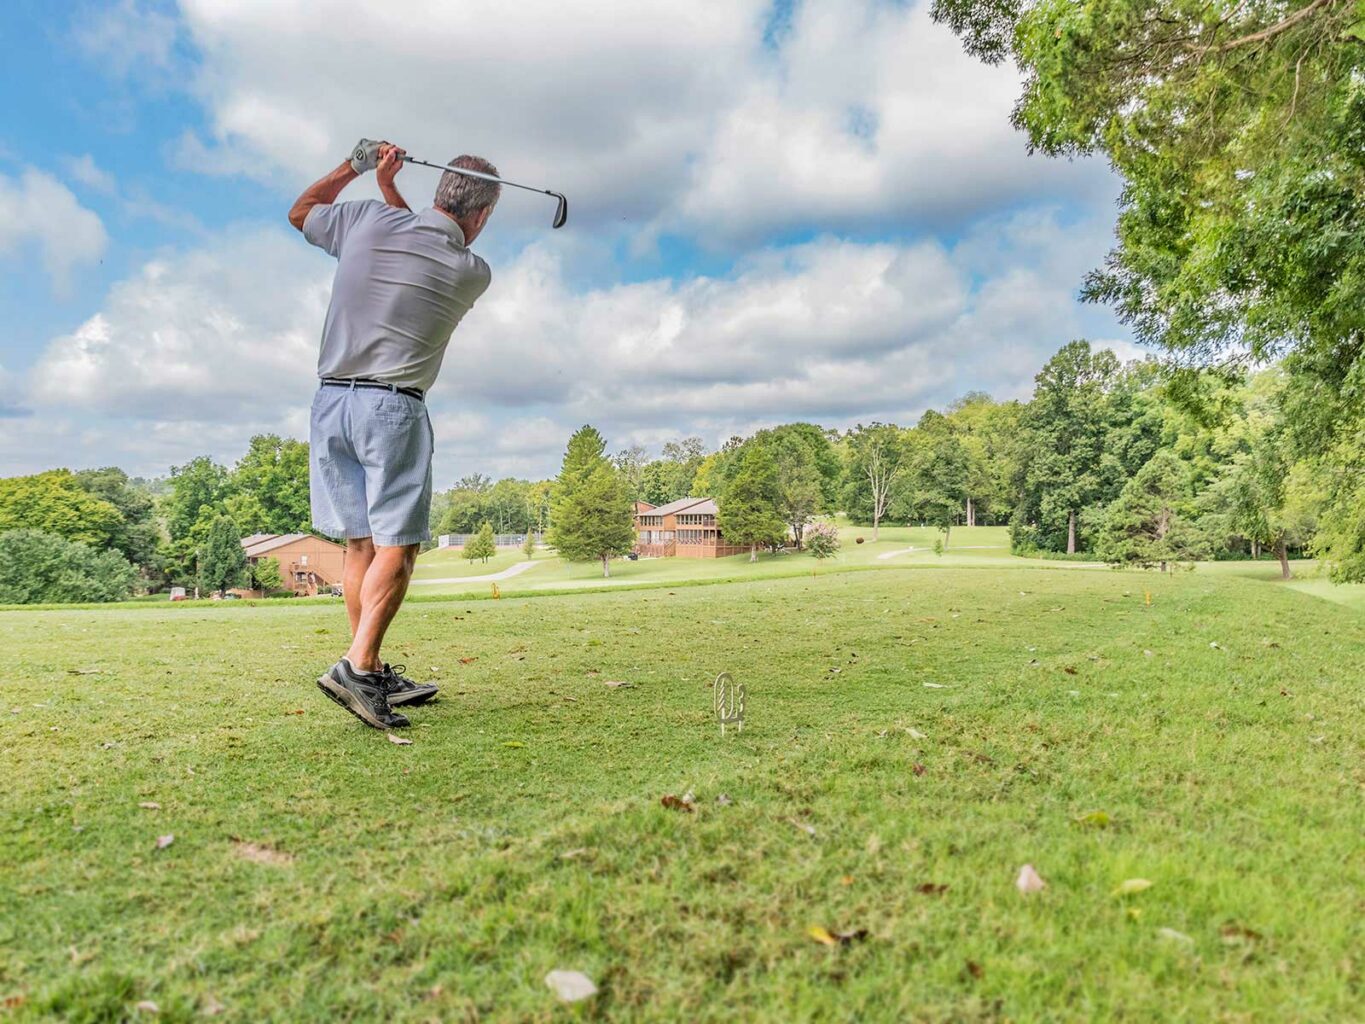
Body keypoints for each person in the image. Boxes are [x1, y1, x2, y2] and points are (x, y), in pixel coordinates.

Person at [288, 138, 499, 729]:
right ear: (481, 217)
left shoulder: (365, 220)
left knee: (361, 544)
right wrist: (386, 190)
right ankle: (356, 668)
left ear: (439, 193)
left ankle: (371, 666)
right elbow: (427, 238)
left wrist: (362, 173)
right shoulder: (470, 271)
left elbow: (302, 211)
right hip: (392, 409)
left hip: (330, 403)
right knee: (398, 548)